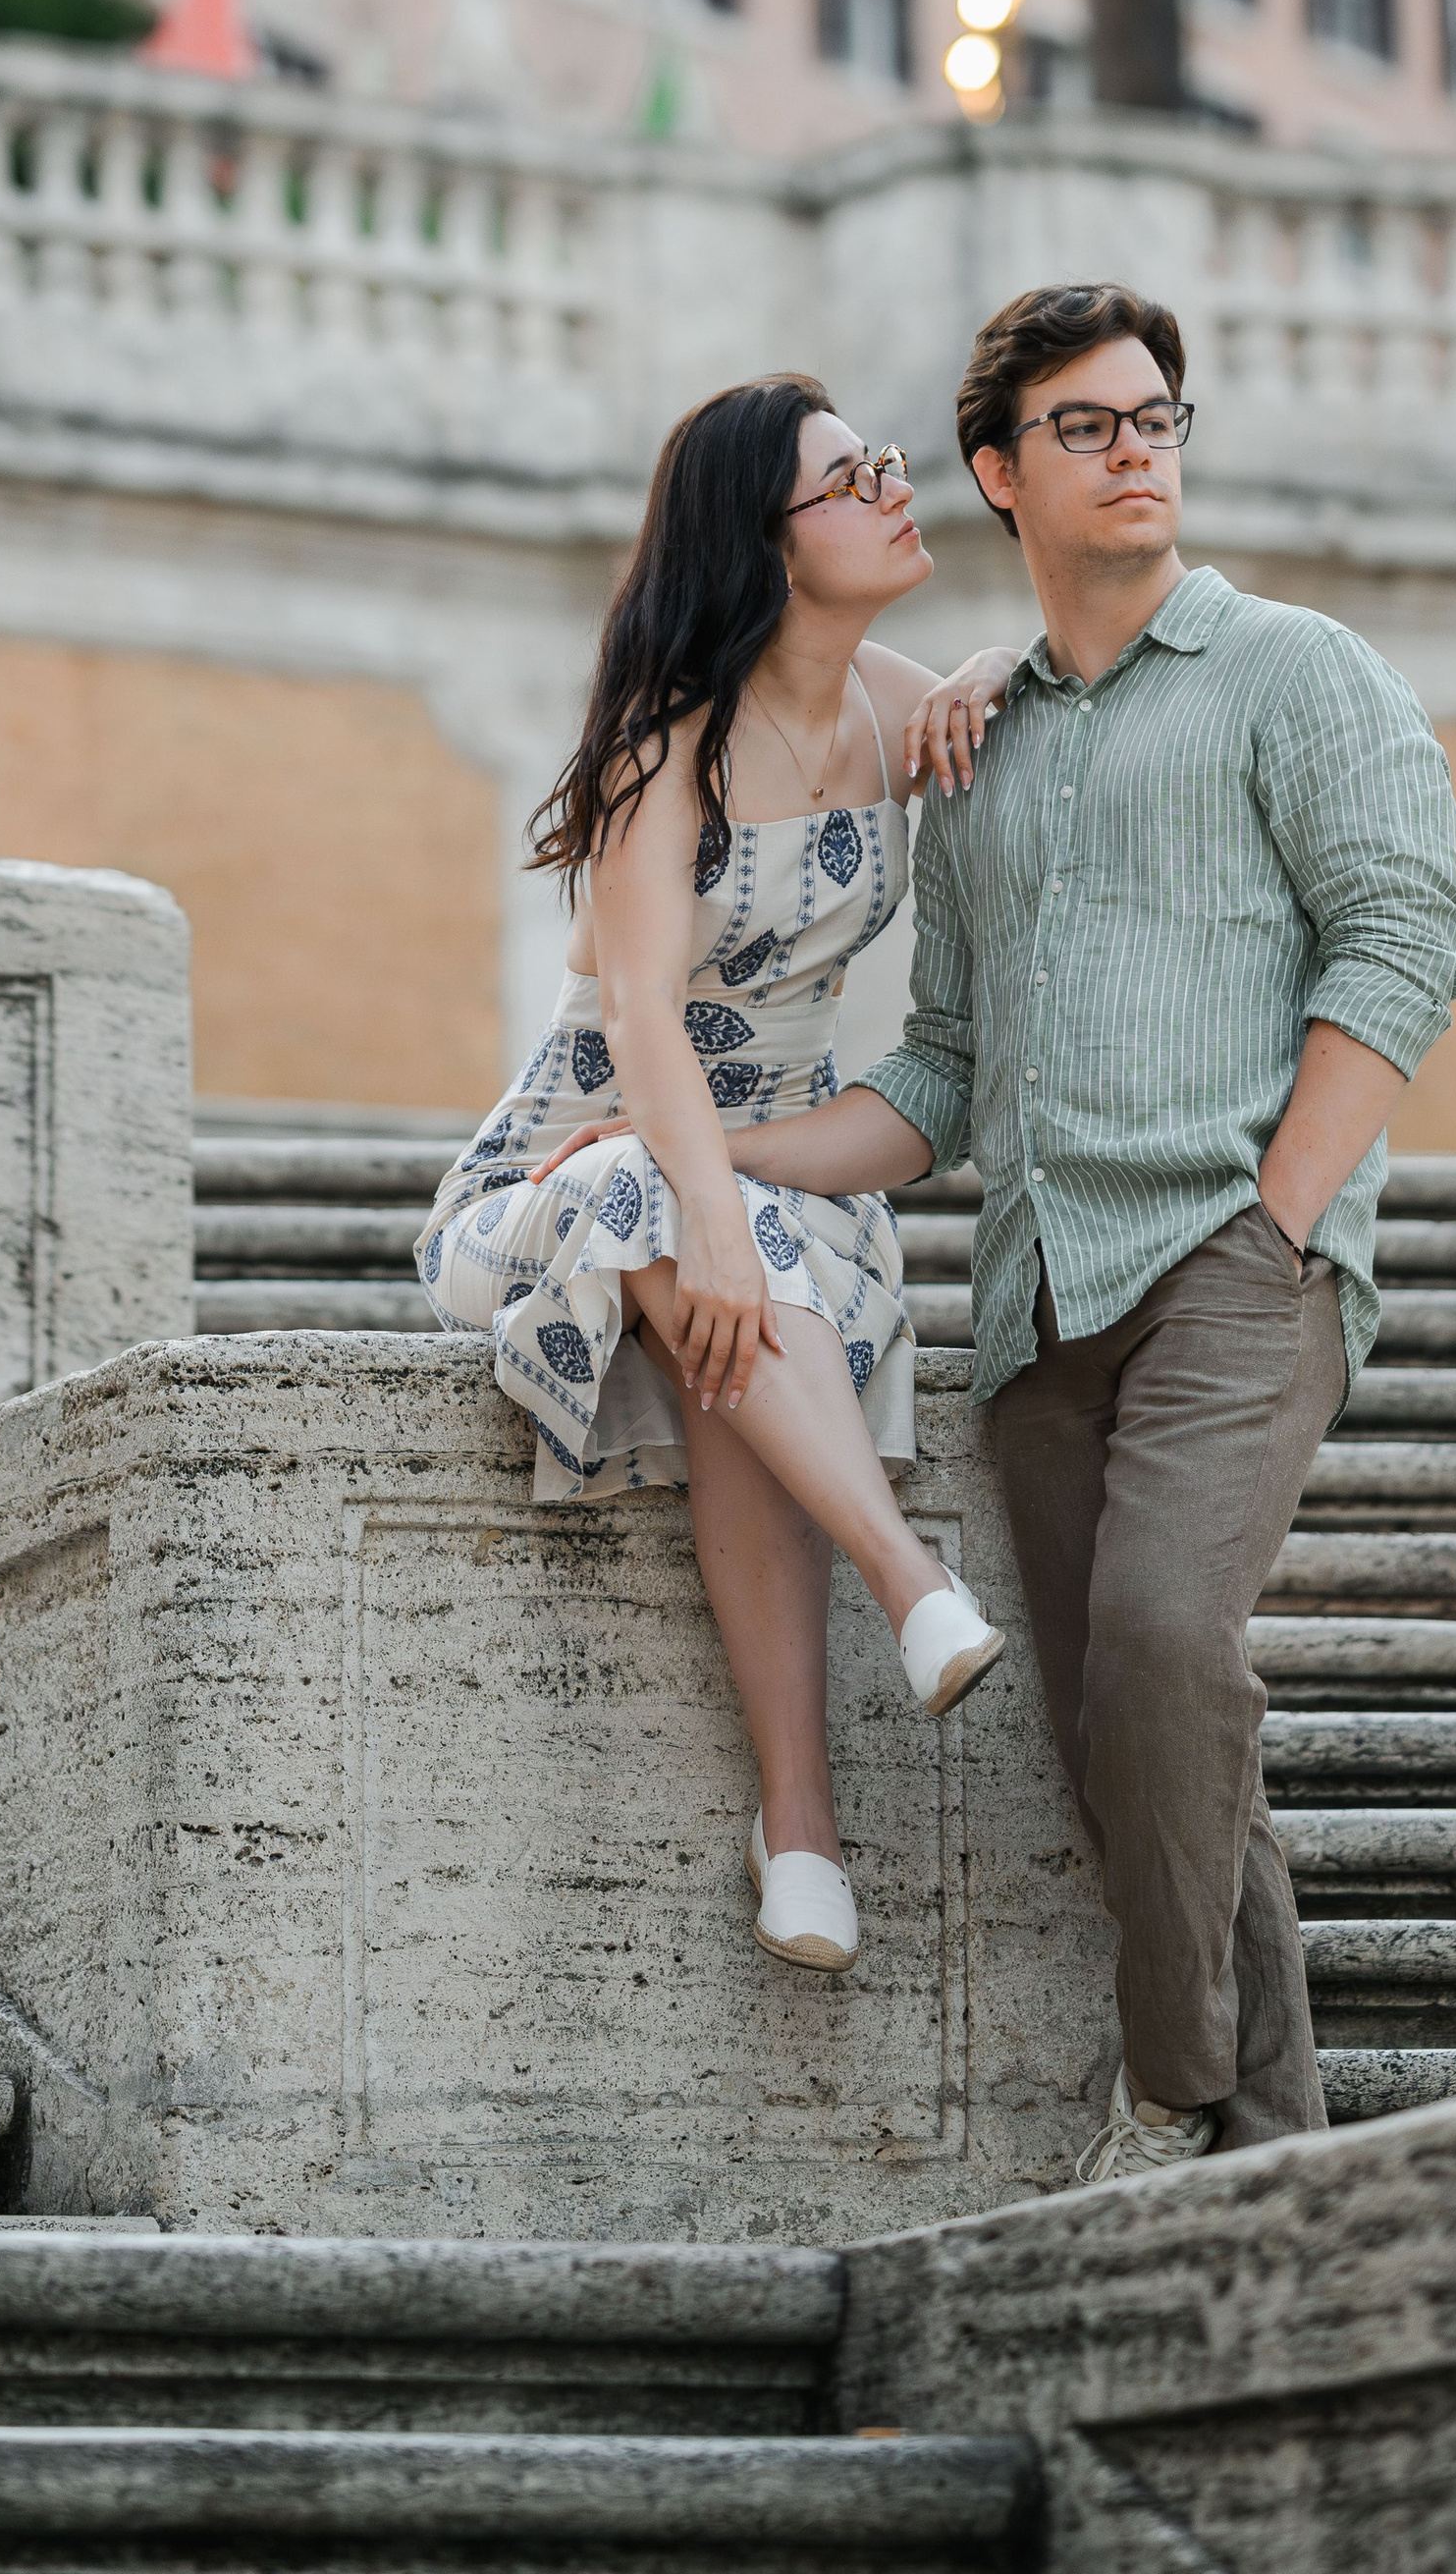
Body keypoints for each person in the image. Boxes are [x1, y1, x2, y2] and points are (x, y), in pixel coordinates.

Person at [682, 282, 1456, 2179]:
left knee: (1160, 1640)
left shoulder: (1299, 670)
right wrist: (713, 1157)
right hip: (1041, 1303)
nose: (1140, 453)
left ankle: (1164, 2090)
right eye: (1093, 427)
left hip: (1234, 1260)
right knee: (1148, 1735)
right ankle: (1272, 2149)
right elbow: (939, 1076)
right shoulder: (978, 752)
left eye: (1158, 419)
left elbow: (1407, 944)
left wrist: (1282, 1225)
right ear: (998, 473)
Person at [419, 375, 1018, 1977]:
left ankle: (801, 1830)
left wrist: (988, 670)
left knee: (738, 1313)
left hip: (790, 1161)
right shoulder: (666, 746)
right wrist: (700, 1205)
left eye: (886, 466)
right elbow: (640, 1023)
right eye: (852, 479)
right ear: (765, 540)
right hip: (581, 1157)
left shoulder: (895, 708)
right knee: (684, 1233)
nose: (898, 493)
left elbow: (1045, 684)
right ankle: (907, 1577)